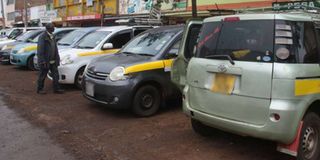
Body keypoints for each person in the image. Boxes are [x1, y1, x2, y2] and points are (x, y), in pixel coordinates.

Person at [36, 23, 64, 94]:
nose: (54, 28)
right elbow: (40, 50)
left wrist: (57, 58)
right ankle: (40, 89)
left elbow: (55, 48)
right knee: (42, 76)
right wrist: (42, 61)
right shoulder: (42, 36)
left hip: (53, 60)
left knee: (55, 75)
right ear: (48, 28)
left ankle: (56, 89)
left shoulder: (53, 36)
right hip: (45, 61)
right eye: (53, 27)